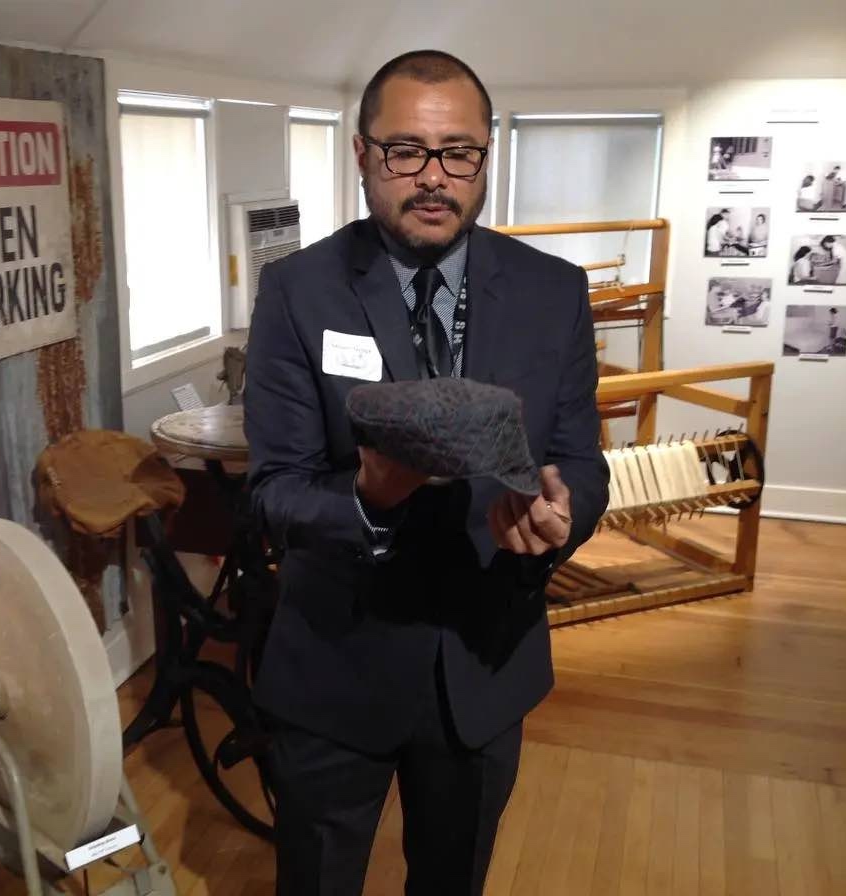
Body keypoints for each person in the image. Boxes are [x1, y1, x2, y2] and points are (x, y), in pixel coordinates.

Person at [243, 49, 609, 895]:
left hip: (483, 671)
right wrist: (372, 499)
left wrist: (566, 512)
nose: (433, 177)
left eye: (458, 153)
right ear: (364, 155)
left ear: (488, 156)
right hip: (336, 670)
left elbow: (582, 461)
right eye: (405, 151)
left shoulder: (555, 292)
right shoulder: (299, 291)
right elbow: (272, 493)